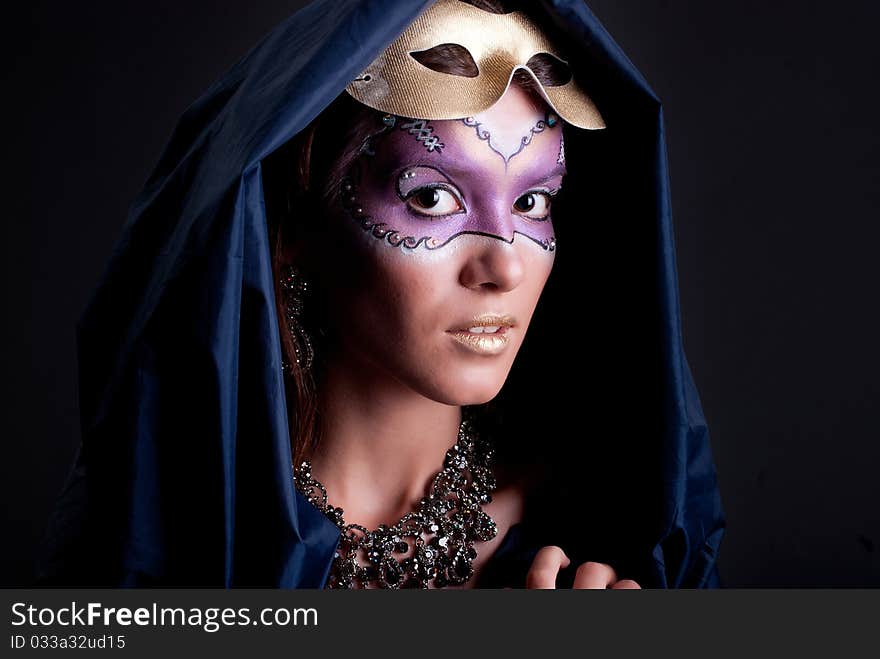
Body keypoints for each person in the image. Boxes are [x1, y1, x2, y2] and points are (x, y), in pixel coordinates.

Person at [37, 0, 725, 589]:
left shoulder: (595, 537)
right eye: (432, 197)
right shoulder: (164, 533)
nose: (504, 267)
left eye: (535, 200)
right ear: (298, 221)